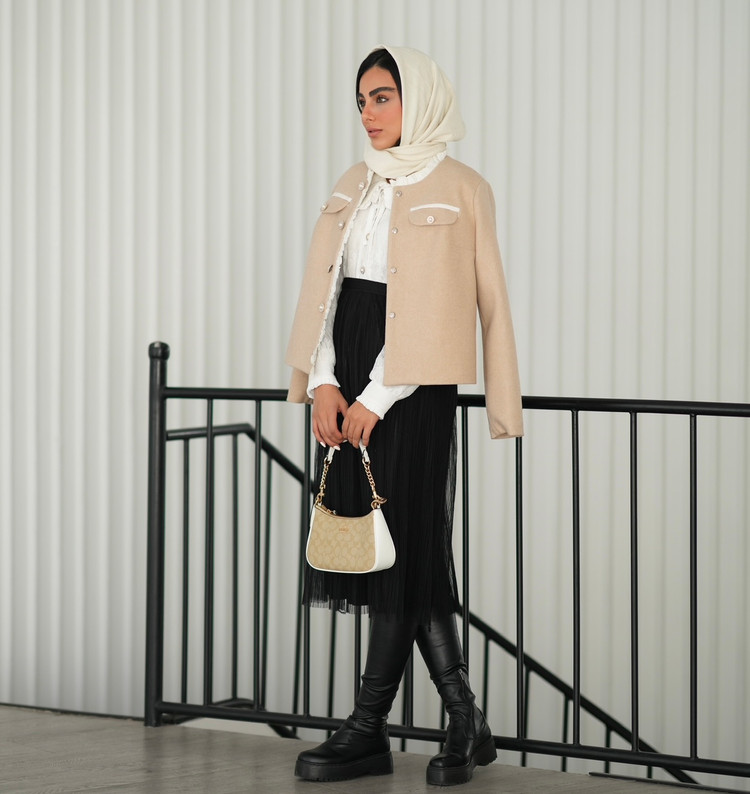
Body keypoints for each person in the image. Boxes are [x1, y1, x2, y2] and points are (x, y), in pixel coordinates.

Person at [285, 45, 523, 786]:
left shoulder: (464, 188)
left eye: (382, 96)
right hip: (347, 373)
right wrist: (325, 382)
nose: (369, 112)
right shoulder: (352, 182)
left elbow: (450, 309)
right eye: (361, 100)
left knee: (406, 547)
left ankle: (370, 729)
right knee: (400, 553)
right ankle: (461, 718)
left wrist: (376, 397)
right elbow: (327, 293)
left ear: (417, 99)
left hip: (411, 390)